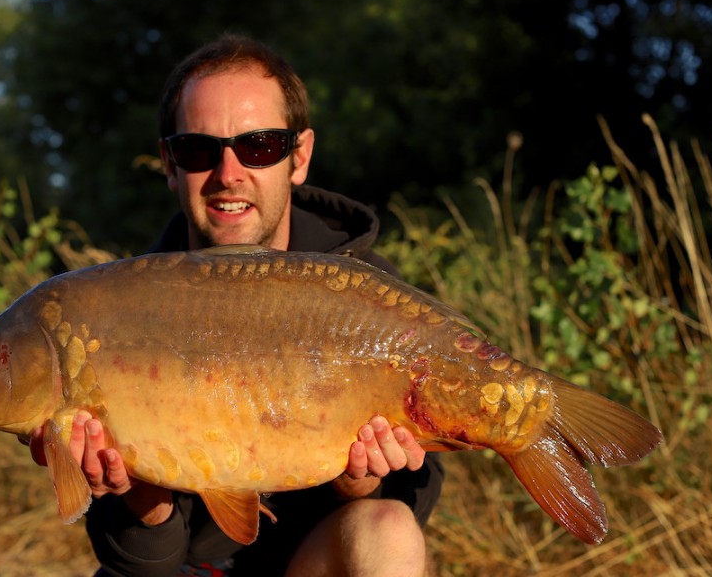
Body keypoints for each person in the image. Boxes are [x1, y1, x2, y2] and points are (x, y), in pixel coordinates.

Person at [26, 34, 444, 577]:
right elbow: (143, 566)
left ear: (299, 157)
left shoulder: (367, 297)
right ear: (170, 165)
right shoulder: (114, 312)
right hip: (185, 570)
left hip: (308, 563)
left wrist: (361, 482)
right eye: (199, 150)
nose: (228, 173)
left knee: (384, 528)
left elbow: (413, 500)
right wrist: (140, 498)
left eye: (260, 145)